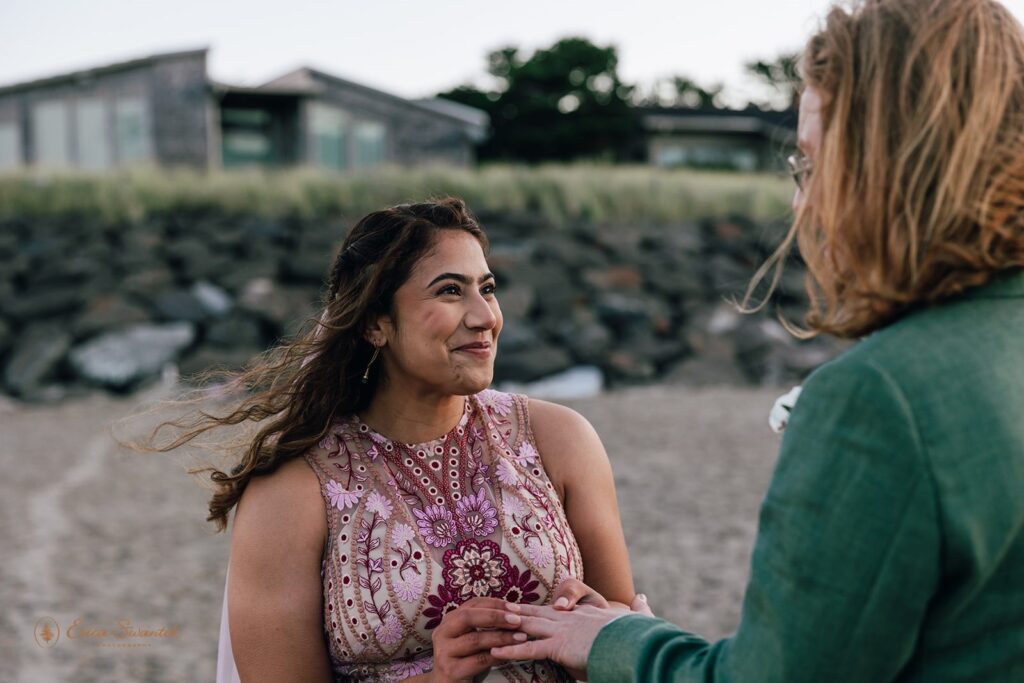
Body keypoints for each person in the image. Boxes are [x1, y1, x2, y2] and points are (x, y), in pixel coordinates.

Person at [490, 0, 1024, 680]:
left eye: (808, 163)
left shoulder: (880, 396)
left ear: (886, 163)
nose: (800, 202)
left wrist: (621, 640)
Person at [152, 197, 635, 681]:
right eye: (450, 291)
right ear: (375, 323)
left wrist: (602, 634)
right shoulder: (294, 492)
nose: (484, 316)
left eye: (486, 289)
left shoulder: (558, 440)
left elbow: (627, 637)